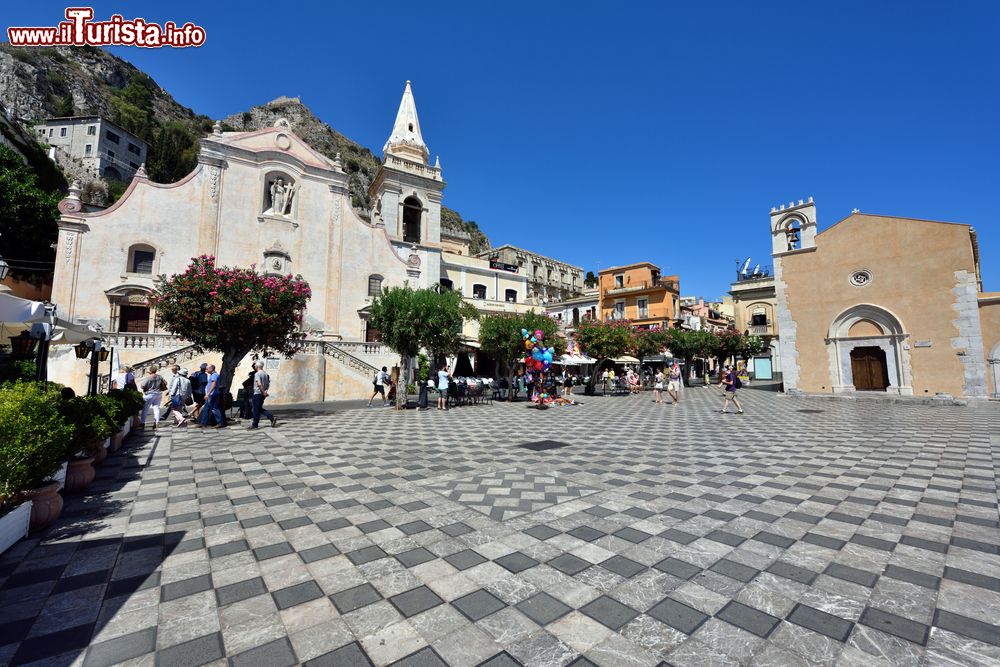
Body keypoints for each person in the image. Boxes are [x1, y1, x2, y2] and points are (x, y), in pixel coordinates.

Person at [248, 360, 277, 429]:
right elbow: (267, 384)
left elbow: (259, 384)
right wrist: (265, 392)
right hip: (262, 395)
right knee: (259, 408)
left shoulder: (257, 374)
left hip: (257, 393)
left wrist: (263, 392)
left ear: (257, 366)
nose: (254, 366)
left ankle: (255, 425)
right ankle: (271, 417)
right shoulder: (265, 374)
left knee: (255, 410)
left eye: (255, 365)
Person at [199, 364, 225, 428]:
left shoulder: (214, 375)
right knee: (206, 409)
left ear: (212, 369)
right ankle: (203, 423)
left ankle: (220, 422)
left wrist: (208, 393)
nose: (206, 370)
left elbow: (214, 384)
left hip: (212, 395)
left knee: (214, 409)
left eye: (207, 369)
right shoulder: (212, 375)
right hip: (211, 394)